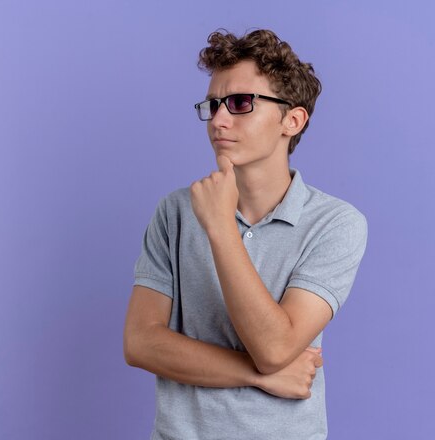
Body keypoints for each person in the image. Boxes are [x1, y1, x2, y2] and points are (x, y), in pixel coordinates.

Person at [124, 29, 368, 440]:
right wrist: (259, 377)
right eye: (214, 104)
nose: (218, 119)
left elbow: (274, 347)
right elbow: (141, 343)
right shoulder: (176, 212)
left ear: (292, 120)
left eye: (240, 103)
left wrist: (220, 227)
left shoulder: (336, 223)